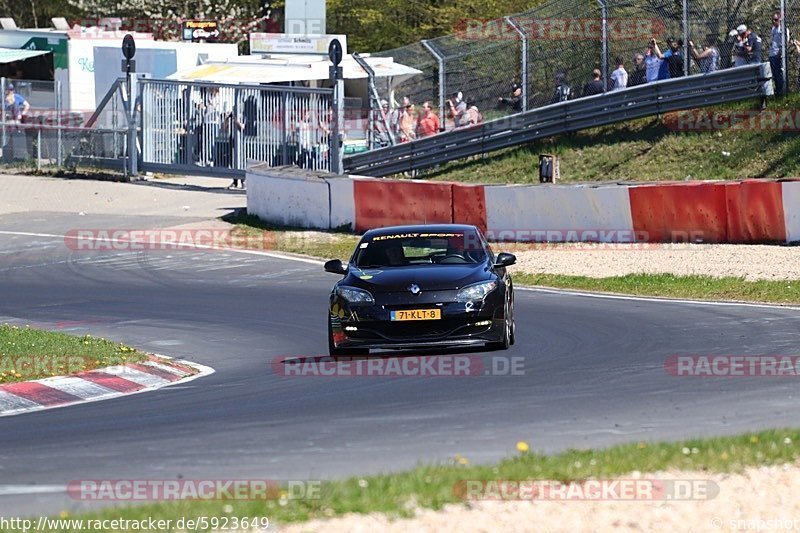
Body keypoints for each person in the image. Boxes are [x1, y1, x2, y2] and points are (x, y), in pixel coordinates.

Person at [769, 12, 789, 96]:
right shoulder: (773, 29)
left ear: (780, 20)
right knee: (774, 75)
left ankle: (781, 92)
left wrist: (780, 53)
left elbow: (785, 43)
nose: (774, 21)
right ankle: (777, 91)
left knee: (779, 74)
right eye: (773, 19)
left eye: (776, 19)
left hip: (778, 55)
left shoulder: (783, 29)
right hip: (772, 54)